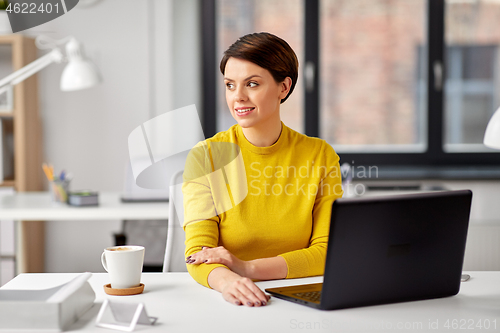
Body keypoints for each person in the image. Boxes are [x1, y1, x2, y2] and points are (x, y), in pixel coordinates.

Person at [182, 32, 343, 307]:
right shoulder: (206, 156)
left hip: (302, 299)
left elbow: (327, 252)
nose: (238, 97)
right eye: (230, 85)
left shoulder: (319, 156)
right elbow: (198, 254)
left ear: (284, 87)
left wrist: (247, 268)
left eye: (252, 84)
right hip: (232, 301)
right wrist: (229, 281)